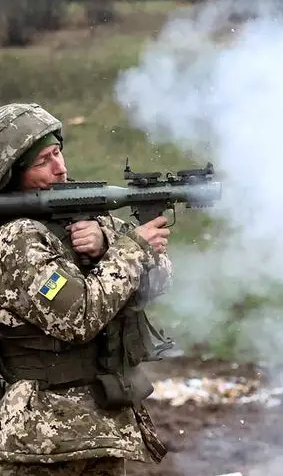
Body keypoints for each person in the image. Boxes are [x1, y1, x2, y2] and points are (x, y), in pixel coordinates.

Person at [0, 102, 174, 475]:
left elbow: (157, 283)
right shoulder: (15, 239)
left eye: (58, 152)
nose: (60, 168)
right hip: (43, 443)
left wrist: (109, 242)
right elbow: (77, 317)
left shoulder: (76, 214)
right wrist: (132, 249)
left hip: (100, 427)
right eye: (43, 161)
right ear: (13, 172)